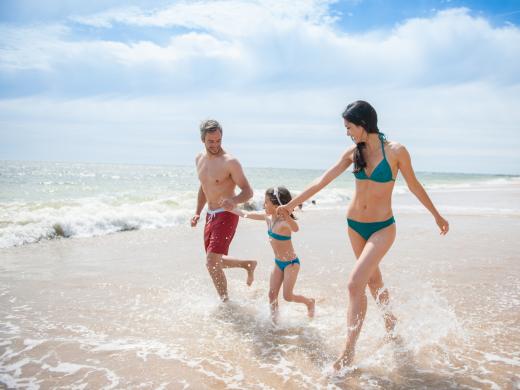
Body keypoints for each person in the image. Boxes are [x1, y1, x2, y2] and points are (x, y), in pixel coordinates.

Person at [277, 100, 449, 371]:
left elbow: (414, 186)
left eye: (349, 127)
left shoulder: (396, 151)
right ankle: (390, 319)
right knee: (372, 280)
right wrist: (291, 204)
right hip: (355, 226)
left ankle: (348, 352)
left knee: (355, 283)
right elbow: (322, 180)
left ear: (363, 124)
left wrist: (436, 215)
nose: (347, 133)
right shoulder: (352, 153)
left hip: (382, 228)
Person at [192, 119, 257, 302]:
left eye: (218, 140)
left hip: (227, 214)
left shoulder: (230, 162)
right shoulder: (199, 159)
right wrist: (197, 212)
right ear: (202, 139)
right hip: (210, 215)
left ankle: (225, 302)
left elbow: (248, 191)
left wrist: (233, 200)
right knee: (214, 261)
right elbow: (204, 187)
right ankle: (247, 264)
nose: (215, 145)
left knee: (211, 262)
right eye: (211, 141)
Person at [232, 186, 315, 323]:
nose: (264, 205)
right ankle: (274, 323)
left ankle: (309, 302)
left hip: (291, 264)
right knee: (272, 295)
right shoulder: (268, 219)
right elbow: (246, 214)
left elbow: (296, 228)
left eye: (266, 202)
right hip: (278, 263)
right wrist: (231, 209)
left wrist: (287, 216)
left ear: (276, 204)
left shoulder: (284, 223)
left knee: (287, 296)